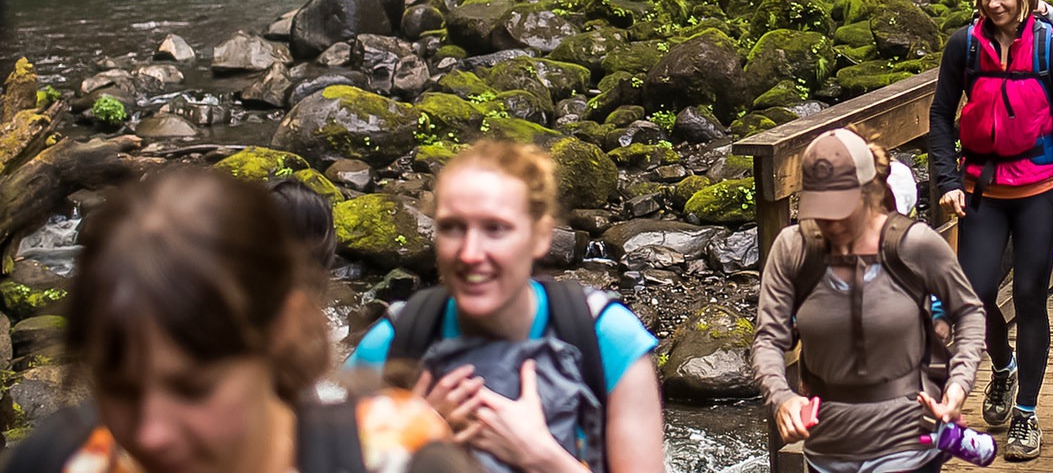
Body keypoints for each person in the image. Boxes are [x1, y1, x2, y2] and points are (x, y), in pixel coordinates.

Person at [0, 168, 475, 473]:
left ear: (285, 330)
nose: (149, 433)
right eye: (119, 387)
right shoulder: (59, 458)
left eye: (193, 388)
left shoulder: (398, 458)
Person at [344, 141, 666, 473]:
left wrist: (541, 458)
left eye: (495, 229)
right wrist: (413, 441)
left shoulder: (607, 340)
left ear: (541, 235)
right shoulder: (392, 345)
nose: (470, 253)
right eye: (452, 227)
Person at [927, 0, 1053, 461]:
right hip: (981, 190)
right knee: (972, 297)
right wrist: (946, 177)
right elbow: (939, 115)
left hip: (1042, 192)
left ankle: (1026, 412)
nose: (993, 4)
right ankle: (1003, 367)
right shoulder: (964, 46)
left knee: (1028, 294)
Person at [751, 129, 988, 473]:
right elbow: (768, 338)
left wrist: (957, 385)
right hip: (828, 448)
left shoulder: (914, 244)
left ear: (868, 193)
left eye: (840, 208)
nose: (829, 221)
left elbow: (968, 311)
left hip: (907, 441)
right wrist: (781, 398)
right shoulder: (793, 248)